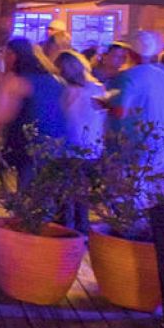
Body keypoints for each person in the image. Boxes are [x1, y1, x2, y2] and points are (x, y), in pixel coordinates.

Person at [0, 38, 67, 191]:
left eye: (6, 55)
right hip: (56, 140)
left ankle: (20, 211)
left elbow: (0, 115)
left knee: (25, 189)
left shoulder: (16, 81)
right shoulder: (55, 79)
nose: (4, 59)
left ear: (13, 55)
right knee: (47, 191)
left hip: (27, 142)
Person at [52, 50, 107, 232]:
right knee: (82, 193)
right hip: (92, 146)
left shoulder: (65, 91)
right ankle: (82, 229)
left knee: (64, 193)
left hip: (67, 147)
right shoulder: (98, 89)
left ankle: (65, 230)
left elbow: (61, 118)